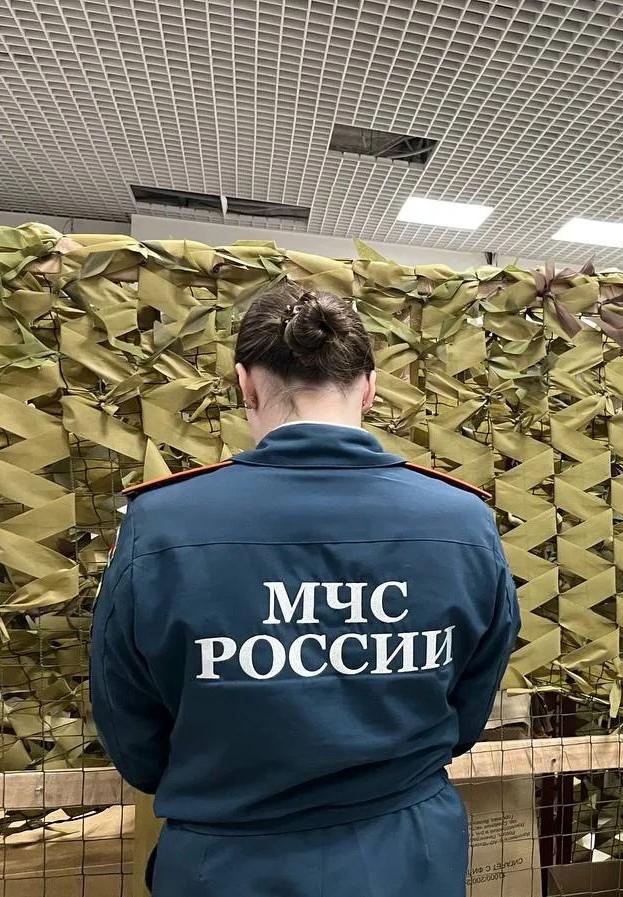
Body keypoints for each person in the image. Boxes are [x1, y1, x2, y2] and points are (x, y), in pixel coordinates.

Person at [90, 282, 519, 896]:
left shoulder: (162, 524)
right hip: (407, 854)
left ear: (245, 384)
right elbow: (471, 699)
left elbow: (128, 720)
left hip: (226, 859)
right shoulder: (462, 521)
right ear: (369, 388)